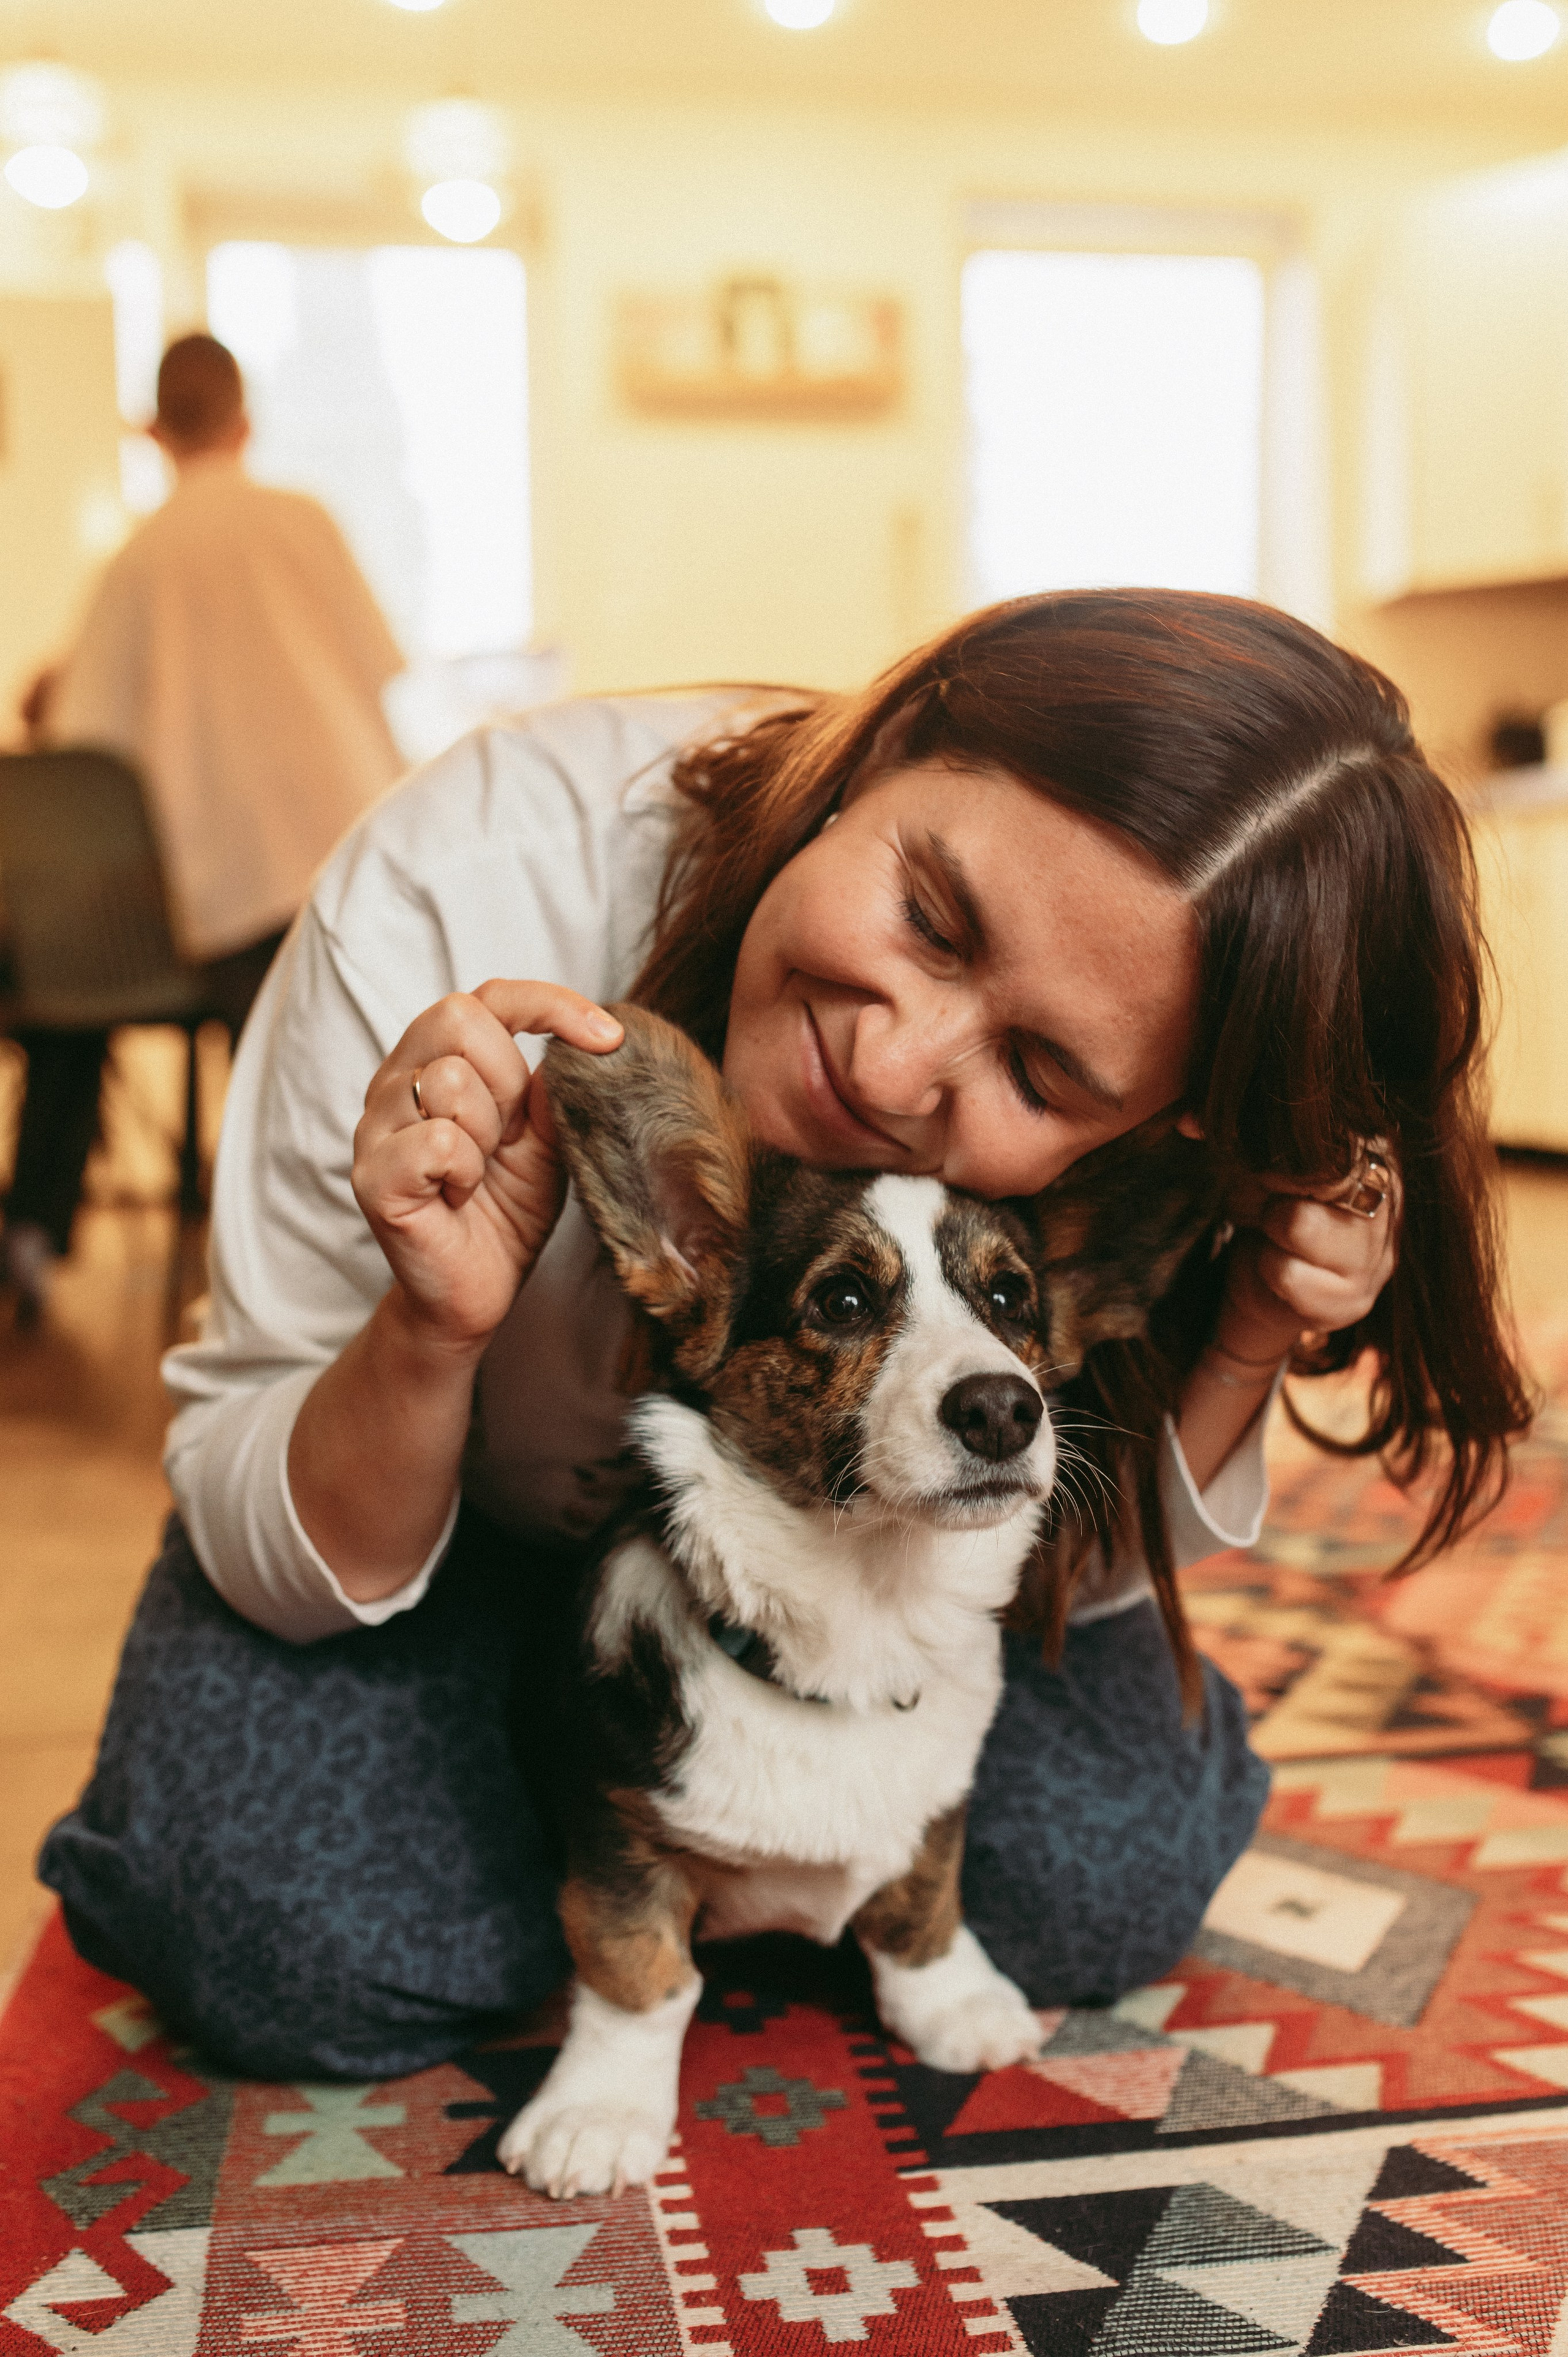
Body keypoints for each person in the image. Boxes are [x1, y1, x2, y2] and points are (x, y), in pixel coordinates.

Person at [39, 591, 1530, 2080]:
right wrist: (430, 1331)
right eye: (930, 917)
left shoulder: (1120, 1165)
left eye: (1038, 1067)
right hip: (431, 1537)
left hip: (880, 1588)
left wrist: (1254, 1324)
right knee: (277, 1938)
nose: (892, 1063)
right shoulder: (462, 887)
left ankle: (743, 1866)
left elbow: (1068, 1555)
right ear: (889, 741)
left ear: (1152, 1127)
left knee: (1104, 1881)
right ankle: (660, 1871)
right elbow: (275, 1561)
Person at [2, 333, 404, 1321]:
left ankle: (45, 1236)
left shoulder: (136, 558)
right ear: (245, 418)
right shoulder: (305, 522)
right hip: (352, 859)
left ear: (153, 430)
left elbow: (88, 738)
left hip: (224, 898)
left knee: (159, 1028)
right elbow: (381, 667)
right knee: (328, 1064)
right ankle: (341, 1277)